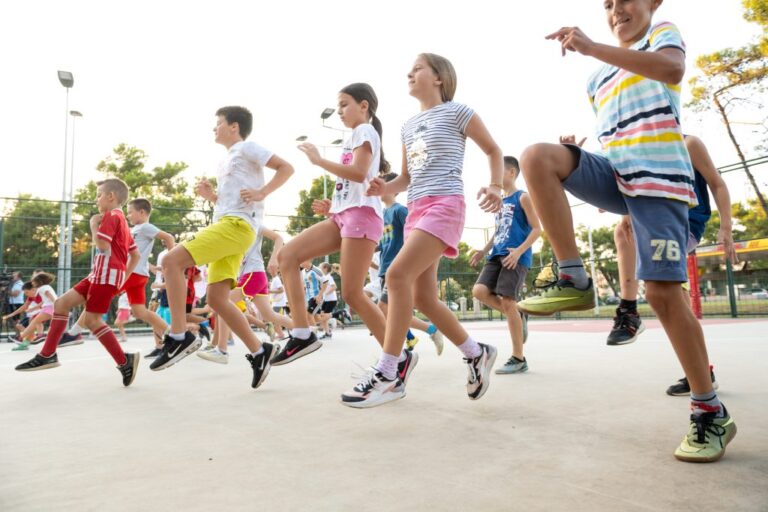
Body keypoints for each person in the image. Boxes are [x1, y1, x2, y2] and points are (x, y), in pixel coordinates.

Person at [516, 1, 735, 462]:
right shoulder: (597, 78)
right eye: (608, 4)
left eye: (626, 0)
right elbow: (617, 139)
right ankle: (574, 276)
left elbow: (672, 70)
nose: (617, 9)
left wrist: (593, 47)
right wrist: (581, 160)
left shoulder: (661, 33)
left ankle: (710, 410)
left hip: (661, 183)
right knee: (538, 157)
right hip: (620, 175)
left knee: (663, 294)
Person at [346, 53, 503, 408]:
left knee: (396, 276)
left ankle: (389, 372)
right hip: (416, 209)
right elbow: (405, 178)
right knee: (424, 299)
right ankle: (476, 353)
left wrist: (495, 185)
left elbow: (493, 150)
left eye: (418, 68)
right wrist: (383, 187)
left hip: (445, 204)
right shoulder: (408, 125)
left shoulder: (458, 112)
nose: (410, 73)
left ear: (439, 78)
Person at [151, 106, 293, 390]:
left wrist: (262, 192)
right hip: (230, 224)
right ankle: (259, 351)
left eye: (218, 123)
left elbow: (286, 167)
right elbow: (231, 202)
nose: (214, 128)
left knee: (170, 261)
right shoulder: (226, 160)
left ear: (234, 126)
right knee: (217, 299)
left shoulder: (247, 147)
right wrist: (212, 196)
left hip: (237, 226)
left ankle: (179, 336)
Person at [273, 83, 391, 369]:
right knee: (287, 256)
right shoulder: (356, 135)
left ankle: (397, 356)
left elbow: (359, 172)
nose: (339, 111)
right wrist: (334, 205)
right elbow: (355, 182)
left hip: (362, 216)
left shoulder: (365, 130)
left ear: (364, 106)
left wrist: (319, 160)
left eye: (344, 104)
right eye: (338, 106)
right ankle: (302, 334)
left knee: (352, 293)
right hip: (343, 215)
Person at [15, 178, 141, 387]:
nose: (96, 199)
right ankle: (48, 354)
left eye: (99, 195)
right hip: (100, 274)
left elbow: (102, 245)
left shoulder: (112, 216)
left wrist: (93, 224)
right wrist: (122, 279)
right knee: (61, 304)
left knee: (92, 321)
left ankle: (124, 361)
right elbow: (135, 255)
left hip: (105, 274)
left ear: (111, 196)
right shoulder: (123, 222)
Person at [471, 156, 541, 374]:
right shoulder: (500, 201)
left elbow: (537, 229)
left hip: (515, 256)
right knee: (479, 291)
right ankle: (519, 315)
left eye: (499, 171)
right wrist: (483, 251)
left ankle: (519, 358)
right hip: (496, 254)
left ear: (511, 172)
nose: (494, 176)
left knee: (508, 302)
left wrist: (519, 251)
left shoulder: (523, 197)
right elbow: (499, 230)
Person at [198, 226, 293, 364]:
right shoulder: (234, 227)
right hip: (253, 275)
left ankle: (221, 349)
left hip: (253, 273)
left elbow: (278, 238)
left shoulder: (254, 224)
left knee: (223, 302)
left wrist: (274, 259)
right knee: (269, 315)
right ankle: (303, 330)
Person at [377, 172, 444, 355]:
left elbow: (417, 232)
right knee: (392, 313)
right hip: (385, 268)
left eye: (381, 183)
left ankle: (394, 357)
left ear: (393, 187)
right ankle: (428, 331)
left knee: (384, 309)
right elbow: (383, 243)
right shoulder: (382, 214)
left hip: (397, 269)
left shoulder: (399, 211)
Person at [124, 198, 176, 356]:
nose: (128, 215)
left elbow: (168, 237)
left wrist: (172, 260)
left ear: (142, 212)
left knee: (100, 296)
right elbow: (139, 253)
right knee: (140, 312)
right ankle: (172, 336)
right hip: (138, 272)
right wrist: (151, 266)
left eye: (130, 212)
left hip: (132, 273)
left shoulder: (145, 227)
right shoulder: (135, 229)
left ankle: (75, 331)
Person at [316, 262, 337, 339]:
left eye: (320, 267)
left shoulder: (328, 277)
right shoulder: (323, 277)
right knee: (322, 317)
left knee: (323, 317)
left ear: (325, 268)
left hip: (331, 300)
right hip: (326, 300)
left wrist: (325, 293)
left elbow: (334, 287)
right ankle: (328, 333)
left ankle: (337, 314)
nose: (318, 268)